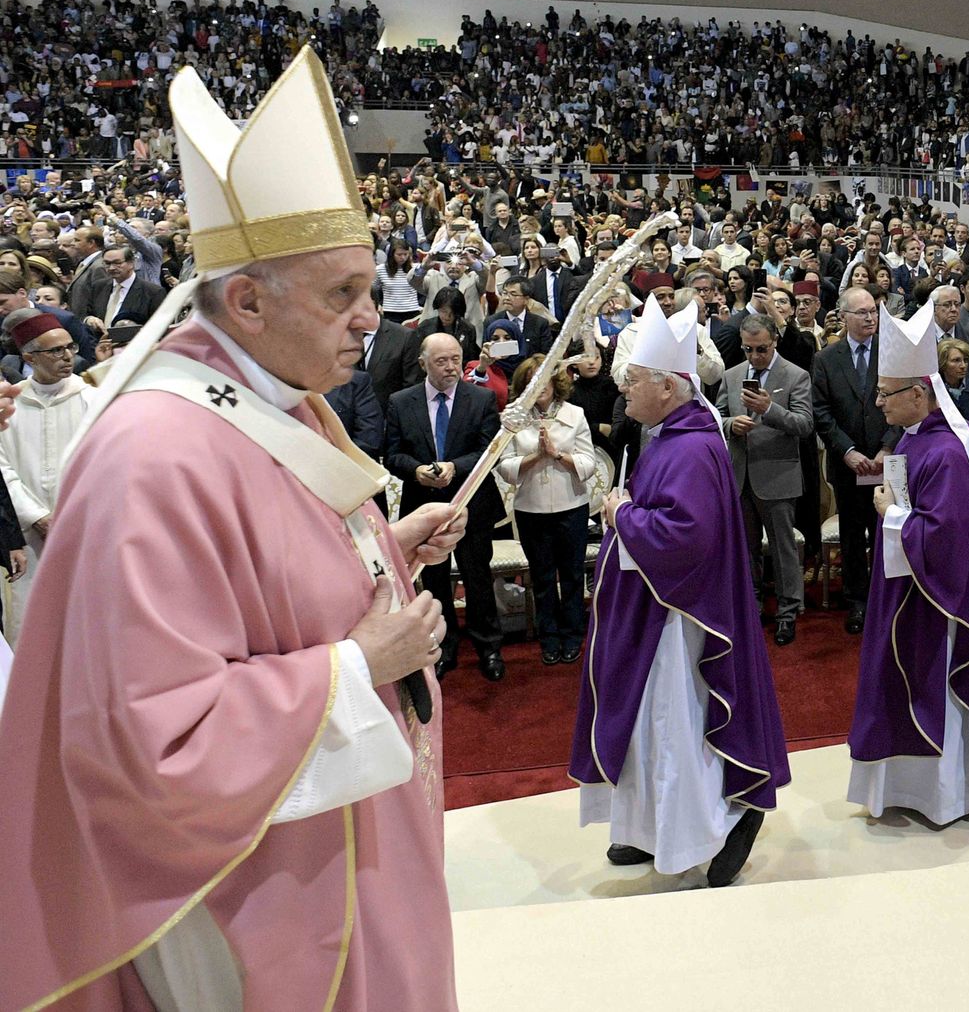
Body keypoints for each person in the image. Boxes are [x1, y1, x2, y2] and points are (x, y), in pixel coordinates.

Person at [0, 49, 462, 1010]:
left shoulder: (279, 396)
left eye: (371, 290)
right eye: (343, 294)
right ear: (247, 301)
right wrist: (354, 667)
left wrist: (385, 552)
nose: (370, 321)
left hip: (347, 837)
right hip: (263, 888)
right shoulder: (154, 454)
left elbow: (281, 577)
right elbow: (148, 738)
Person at [570, 297, 790, 887]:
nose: (624, 392)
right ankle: (648, 829)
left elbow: (684, 539)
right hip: (651, 610)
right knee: (648, 723)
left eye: (634, 380)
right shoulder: (672, 435)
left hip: (676, 620)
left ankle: (721, 821)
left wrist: (621, 516)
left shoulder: (690, 446)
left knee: (672, 723)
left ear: (668, 387)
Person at [847, 301, 969, 824]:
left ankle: (947, 793)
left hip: (932, 602)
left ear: (919, 394)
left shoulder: (945, 452)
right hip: (905, 589)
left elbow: (947, 538)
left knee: (928, 686)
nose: (877, 403)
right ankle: (904, 787)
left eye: (885, 393)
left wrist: (892, 514)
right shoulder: (914, 437)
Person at [386, 333, 505, 681]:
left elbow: (490, 452)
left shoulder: (481, 399)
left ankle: (489, 647)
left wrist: (456, 466)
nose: (451, 366)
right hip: (422, 505)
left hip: (472, 505)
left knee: (477, 577)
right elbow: (392, 454)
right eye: (442, 361)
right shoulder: (400, 401)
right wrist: (416, 471)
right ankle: (444, 646)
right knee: (434, 581)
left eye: (456, 358)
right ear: (423, 363)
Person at [716, 313, 815, 646]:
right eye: (748, 350)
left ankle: (788, 612)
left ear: (774, 342)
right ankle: (752, 607)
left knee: (783, 550)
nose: (754, 357)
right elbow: (717, 418)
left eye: (761, 349)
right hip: (739, 473)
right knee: (745, 550)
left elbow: (805, 425)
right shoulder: (731, 377)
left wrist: (770, 408)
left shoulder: (796, 375)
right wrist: (732, 426)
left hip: (778, 475)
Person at [811, 287, 900, 634]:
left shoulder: (891, 353)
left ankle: (886, 597)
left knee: (886, 530)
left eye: (873, 312)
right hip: (848, 464)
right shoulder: (826, 359)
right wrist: (848, 451)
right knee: (852, 534)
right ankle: (857, 602)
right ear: (844, 317)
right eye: (862, 313)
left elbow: (906, 402)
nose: (870, 318)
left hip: (886, 459)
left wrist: (887, 447)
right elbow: (821, 413)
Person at [497, 354, 596, 666]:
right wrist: (535, 457)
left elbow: (589, 463)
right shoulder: (513, 417)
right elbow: (505, 466)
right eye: (531, 382)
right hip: (531, 508)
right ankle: (548, 637)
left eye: (543, 381)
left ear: (555, 383)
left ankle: (572, 635)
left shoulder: (575, 414)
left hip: (571, 506)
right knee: (541, 577)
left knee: (571, 575)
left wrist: (557, 455)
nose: (538, 387)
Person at [0, 308, 85, 641]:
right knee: (32, 627)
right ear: (29, 357)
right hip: (28, 535)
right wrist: (36, 516)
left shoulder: (92, 399)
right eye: (56, 350)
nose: (67, 357)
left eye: (70, 348)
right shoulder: (10, 404)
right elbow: (1, 467)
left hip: (82, 527)